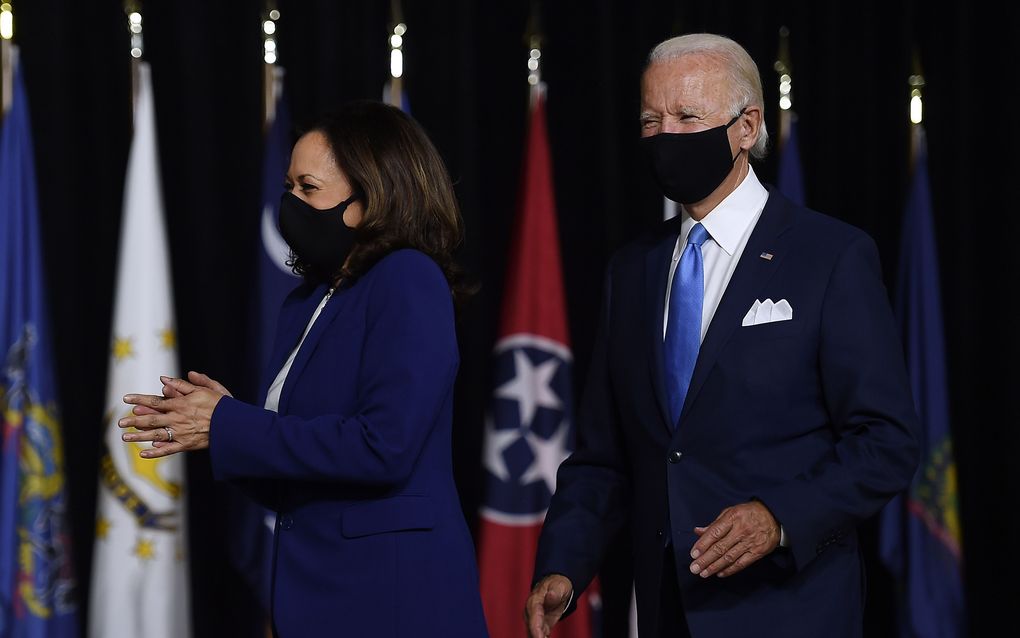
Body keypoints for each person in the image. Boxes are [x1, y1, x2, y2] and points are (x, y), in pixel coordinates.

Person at [525, 33, 919, 638]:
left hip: (786, 608)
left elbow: (885, 440)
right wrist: (564, 566)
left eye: (687, 117)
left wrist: (779, 518)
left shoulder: (830, 256)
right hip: (663, 610)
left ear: (746, 126)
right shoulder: (630, 271)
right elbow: (604, 456)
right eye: (651, 121)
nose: (664, 137)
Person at [118, 100, 489, 637]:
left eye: (308, 188)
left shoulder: (408, 279)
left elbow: (382, 446)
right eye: (288, 186)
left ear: (372, 198)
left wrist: (229, 424)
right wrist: (212, 426)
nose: (289, 203)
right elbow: (301, 476)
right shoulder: (307, 302)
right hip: (319, 600)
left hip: (392, 603)